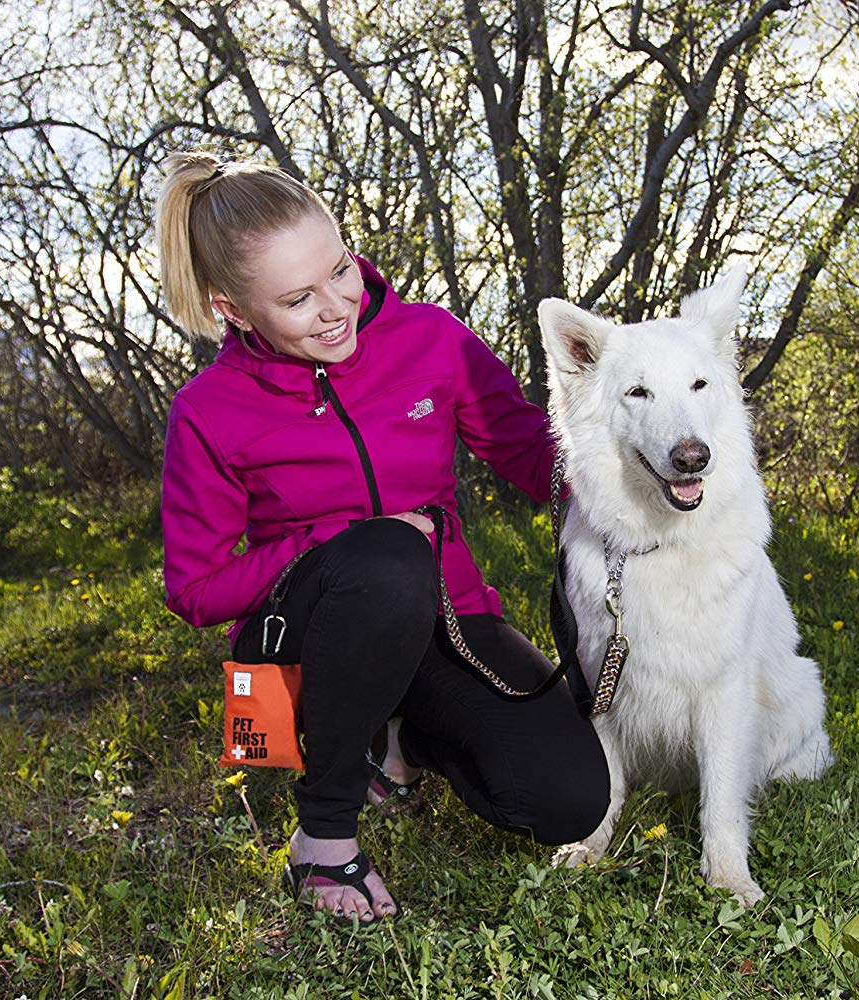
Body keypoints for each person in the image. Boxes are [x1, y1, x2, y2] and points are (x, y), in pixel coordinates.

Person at [154, 152, 609, 922]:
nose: (336, 306)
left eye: (340, 270)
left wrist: (632, 441)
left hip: (446, 617)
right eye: (298, 299)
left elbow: (534, 457)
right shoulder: (207, 411)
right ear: (232, 310)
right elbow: (194, 592)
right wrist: (337, 538)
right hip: (297, 651)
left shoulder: (430, 339)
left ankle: (400, 740)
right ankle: (323, 840)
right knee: (388, 558)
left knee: (570, 801)